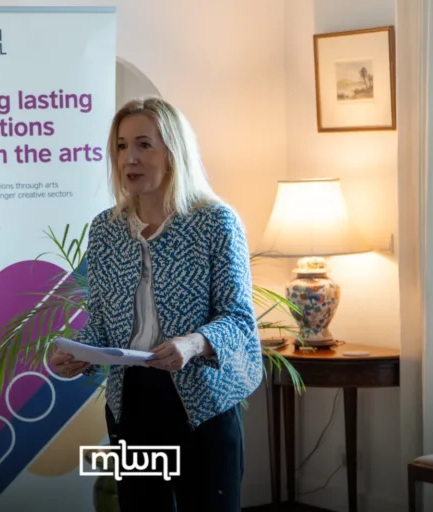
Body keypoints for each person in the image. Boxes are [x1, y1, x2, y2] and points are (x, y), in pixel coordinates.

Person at [50, 97, 262, 511]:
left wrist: (193, 343)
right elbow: (102, 323)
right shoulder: (105, 230)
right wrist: (79, 353)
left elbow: (238, 319)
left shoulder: (215, 222)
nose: (129, 158)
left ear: (172, 152)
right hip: (131, 403)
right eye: (121, 146)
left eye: (143, 144)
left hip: (201, 405)